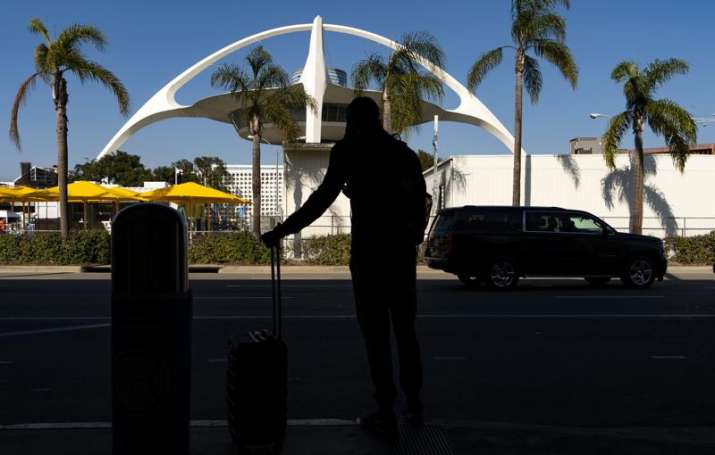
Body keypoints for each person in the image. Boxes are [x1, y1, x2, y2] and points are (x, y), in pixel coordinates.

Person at [261, 97, 428, 439]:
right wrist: (412, 237)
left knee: (376, 337)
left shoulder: (349, 152)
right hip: (399, 255)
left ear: (352, 122)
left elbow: (321, 199)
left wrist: (283, 230)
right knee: (405, 332)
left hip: (368, 256)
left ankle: (386, 409)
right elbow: (420, 201)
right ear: (378, 119)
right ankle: (414, 404)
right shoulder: (402, 154)